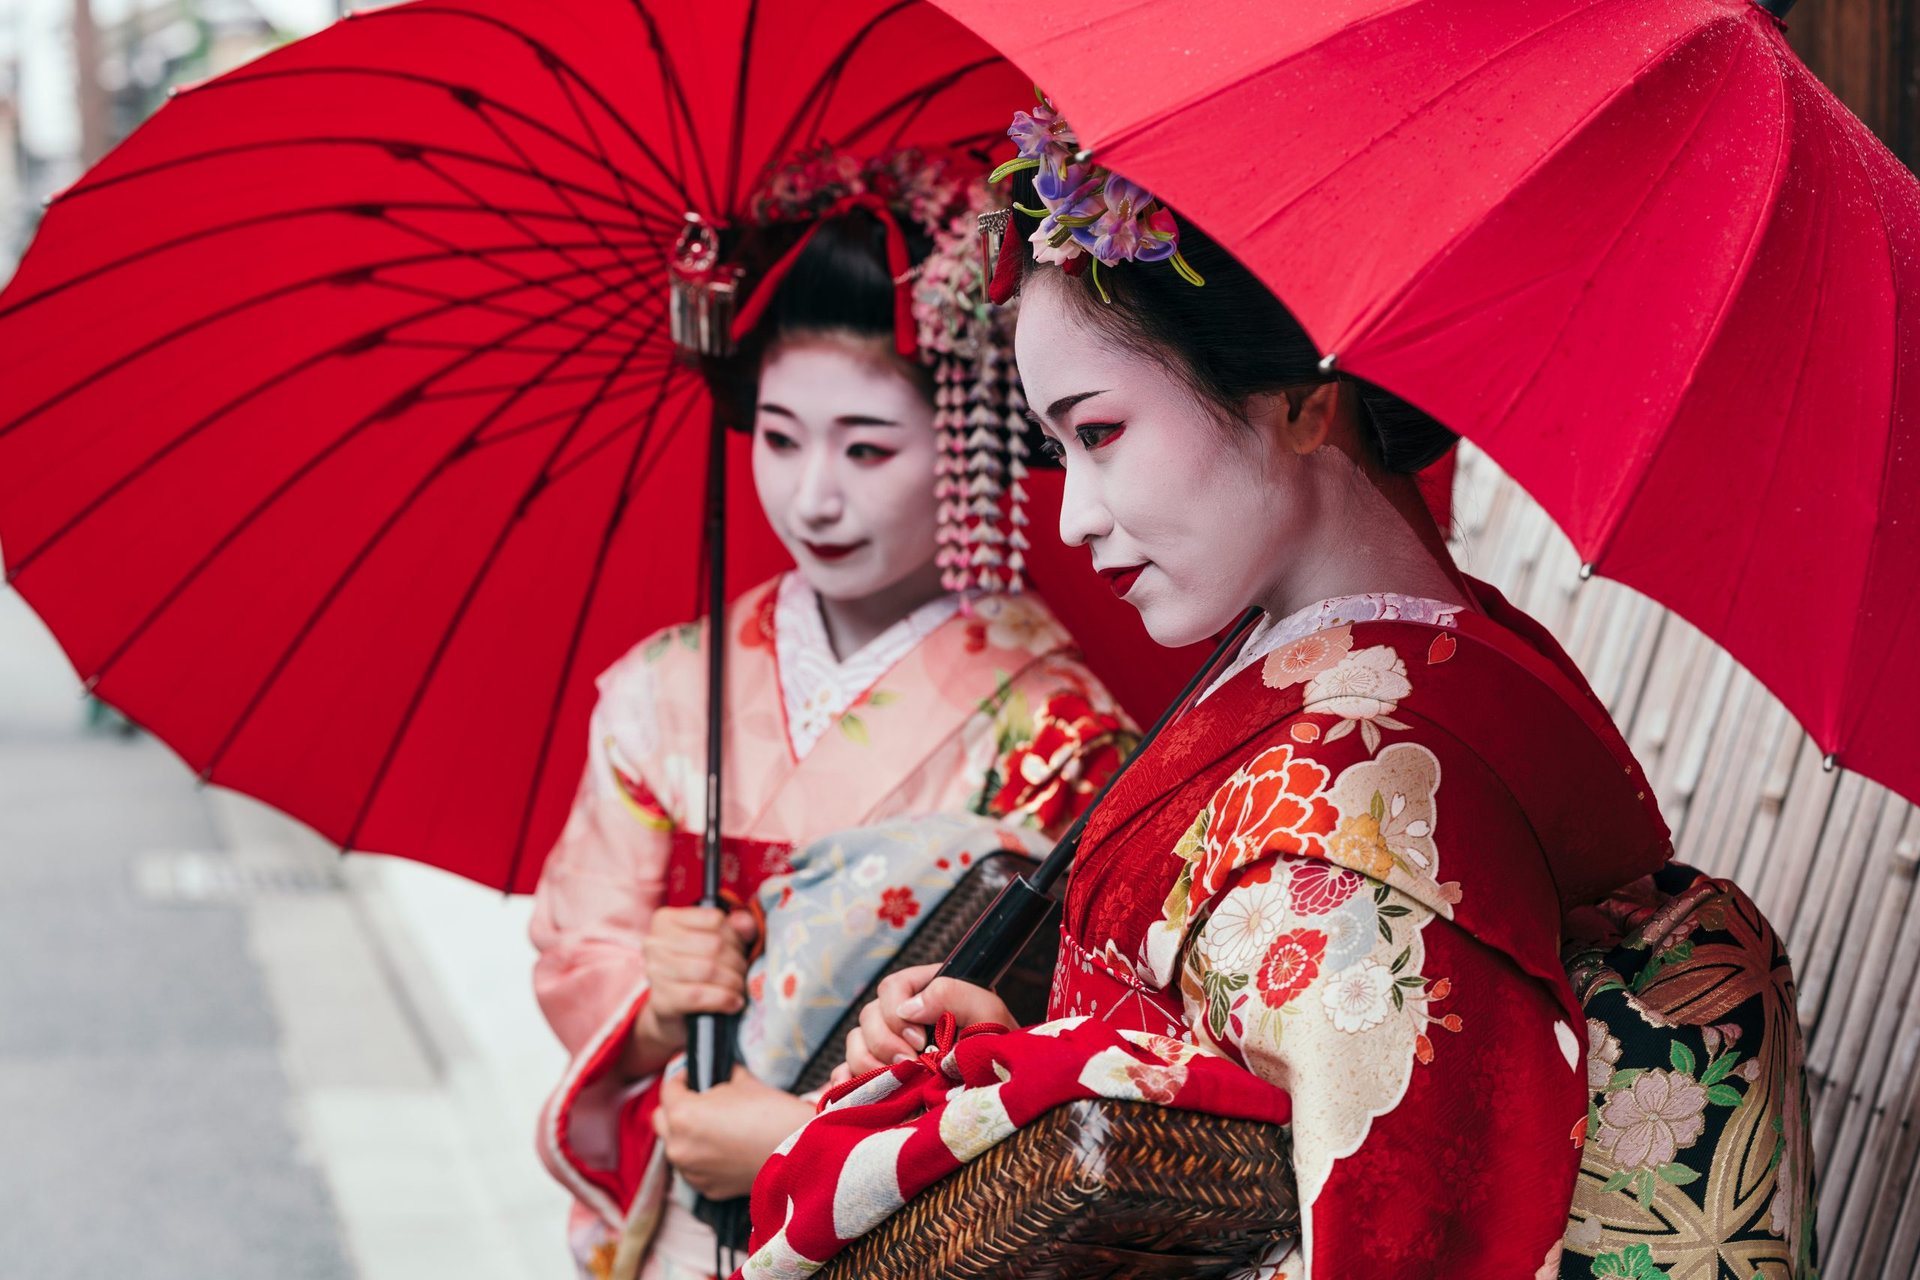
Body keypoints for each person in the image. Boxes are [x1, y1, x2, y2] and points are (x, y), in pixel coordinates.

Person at [824, 99, 1690, 1276]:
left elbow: (1390, 1237)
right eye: (1057, 446)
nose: (1074, 514)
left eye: (1103, 430)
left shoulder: (1366, 825)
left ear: (1298, 393)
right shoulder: (1422, 660)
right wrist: (1033, 1052)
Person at [528, 148, 1133, 1280]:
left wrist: (805, 1136)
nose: (811, 493)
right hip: (687, 1208)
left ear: (967, 443)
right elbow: (579, 944)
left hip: (894, 1234)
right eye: (779, 433)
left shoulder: (1058, 730)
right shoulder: (666, 690)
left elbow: (1055, 1053)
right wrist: (659, 1010)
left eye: (865, 447)